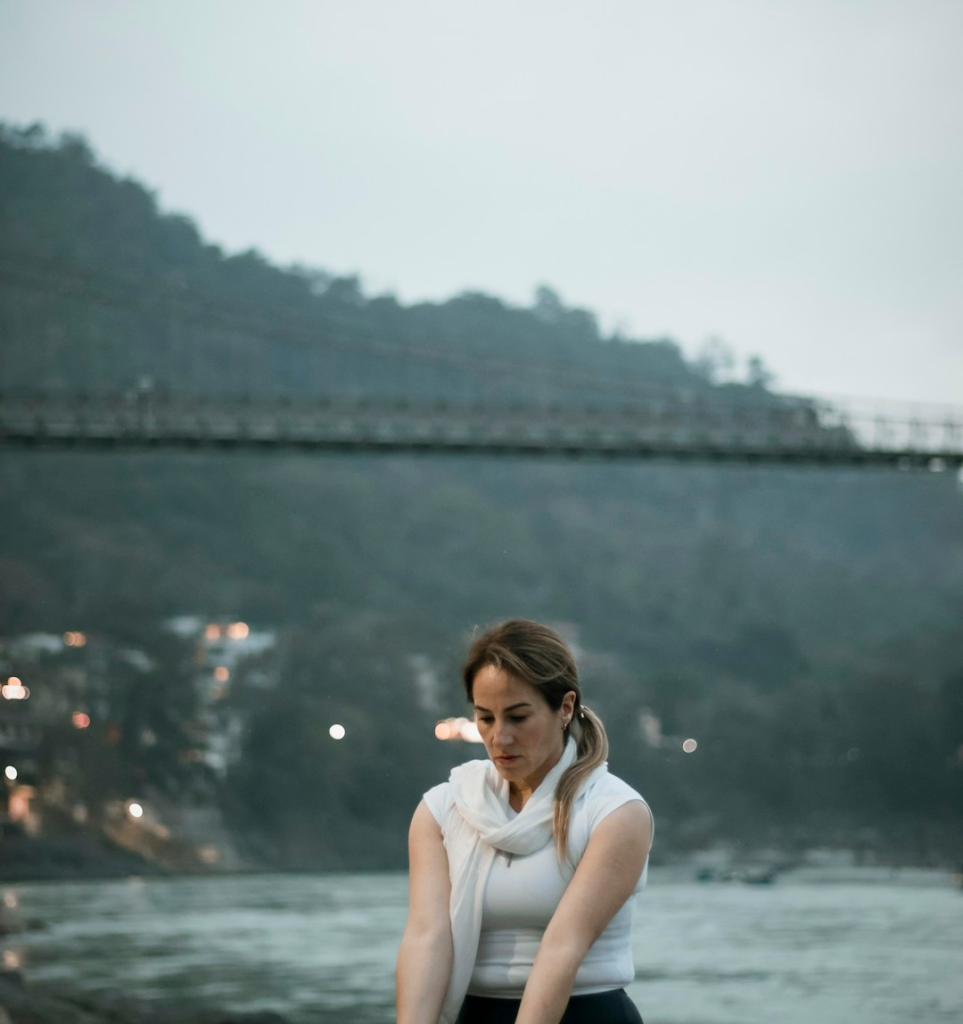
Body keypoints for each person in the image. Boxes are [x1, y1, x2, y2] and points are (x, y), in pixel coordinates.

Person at [396, 619, 653, 1024]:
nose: (500, 738)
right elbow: (427, 937)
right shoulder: (444, 808)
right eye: (485, 718)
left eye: (518, 717)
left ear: (565, 707)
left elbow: (562, 948)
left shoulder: (615, 812)